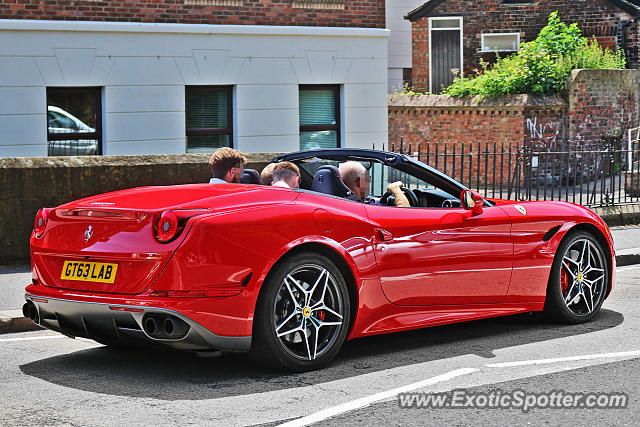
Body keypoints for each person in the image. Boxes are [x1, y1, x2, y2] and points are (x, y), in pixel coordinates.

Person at [338, 161, 410, 207]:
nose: (369, 182)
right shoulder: (360, 207)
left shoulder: (338, 203)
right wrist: (396, 189)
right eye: (367, 179)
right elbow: (407, 214)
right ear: (360, 183)